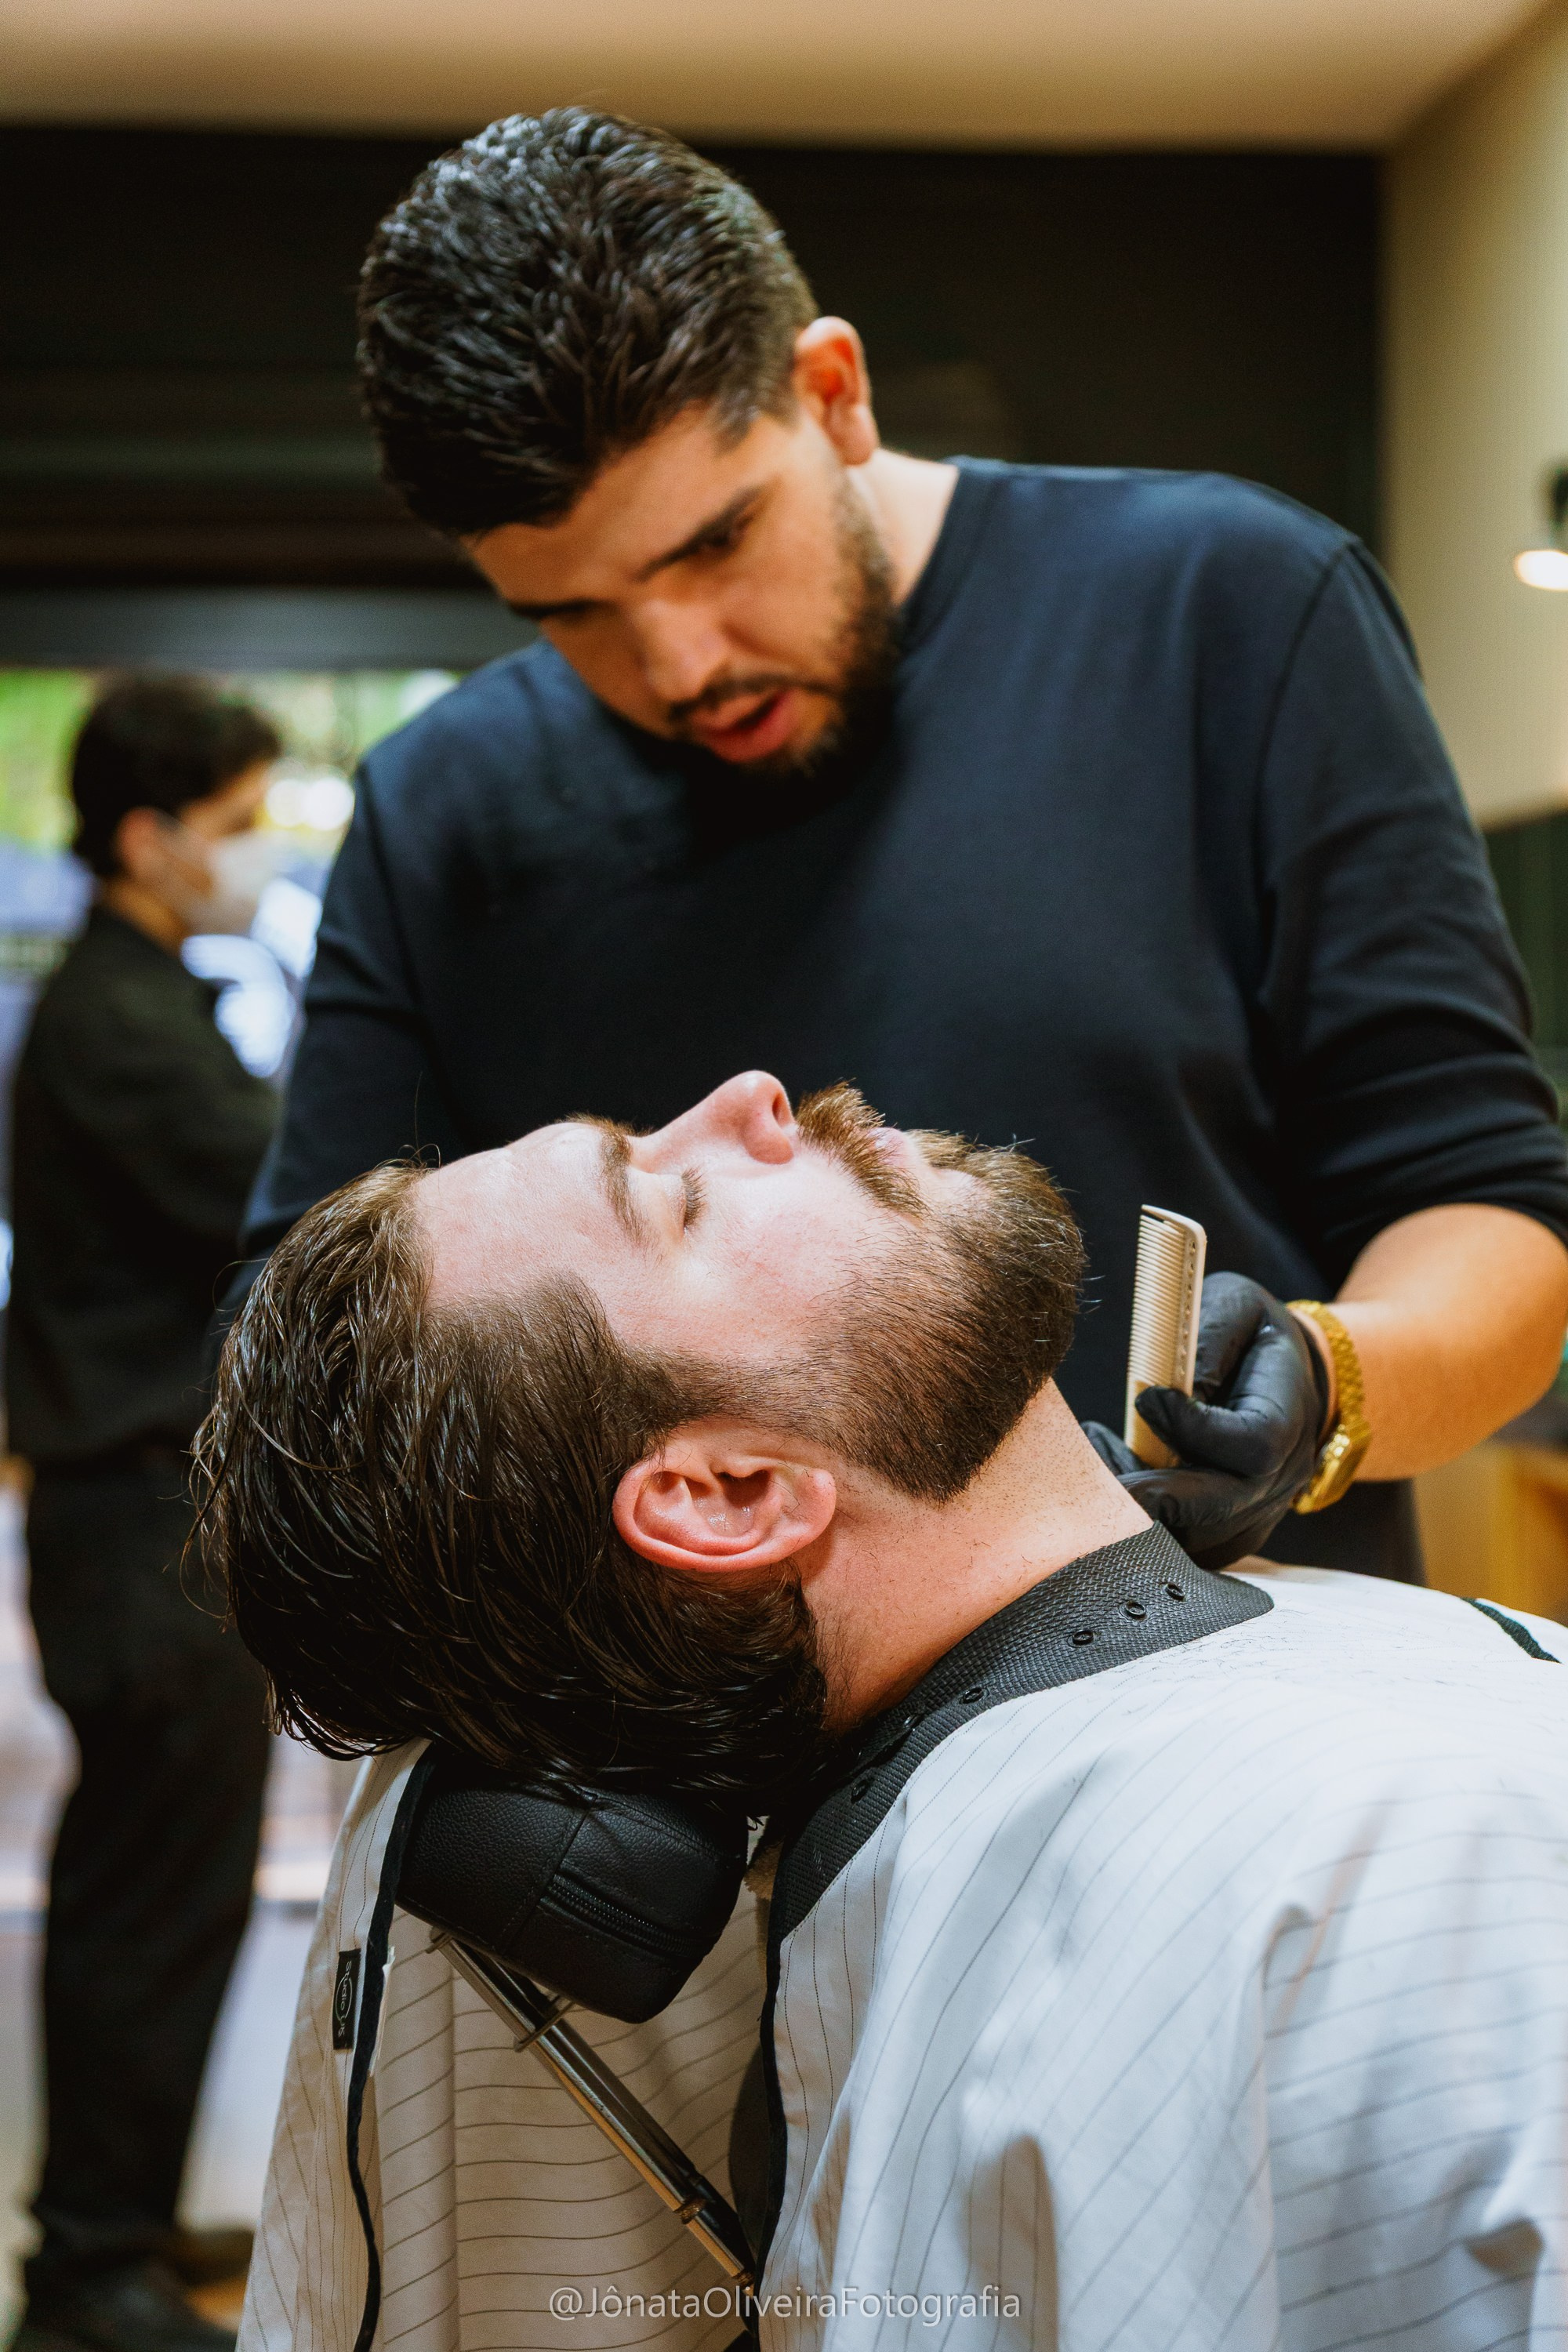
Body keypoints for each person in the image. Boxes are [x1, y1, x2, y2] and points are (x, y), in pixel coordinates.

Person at [235, 105, 1568, 1586]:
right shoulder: (445, 804)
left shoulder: (1229, 610)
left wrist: (1331, 1383)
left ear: (834, 392)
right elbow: (307, 1366)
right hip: (684, 1776)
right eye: (573, 613)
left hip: (1223, 1703)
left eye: (717, 543)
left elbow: (1486, 1211)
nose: (679, 665)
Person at [200, 1073, 1568, 2351]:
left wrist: (1350, 1373)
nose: (751, 1097)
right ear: (727, 1493)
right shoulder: (1380, 1864)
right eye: (673, 1200)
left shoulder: (1307, 1830)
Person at [8, 676, 283, 2352]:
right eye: (241, 828)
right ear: (147, 834)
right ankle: (91, 2264)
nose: (251, 862)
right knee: (150, 1900)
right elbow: (280, 1197)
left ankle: (101, 2241)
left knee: (153, 1891)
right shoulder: (115, 1020)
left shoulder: (141, 996)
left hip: (130, 1523)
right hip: (133, 1526)